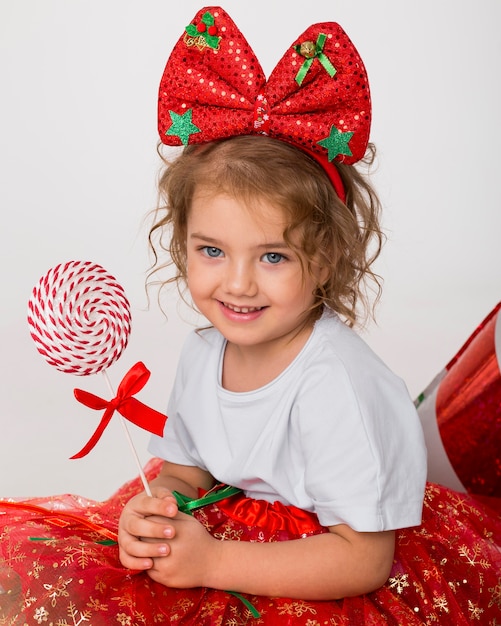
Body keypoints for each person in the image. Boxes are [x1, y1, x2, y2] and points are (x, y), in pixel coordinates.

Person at [1, 6, 500, 625]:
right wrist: (157, 511)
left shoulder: (338, 388)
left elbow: (365, 559)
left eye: (272, 256)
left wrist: (212, 563)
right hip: (226, 533)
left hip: (318, 564)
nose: (236, 284)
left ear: (325, 259)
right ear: (180, 242)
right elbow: (187, 471)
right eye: (212, 250)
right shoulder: (205, 352)